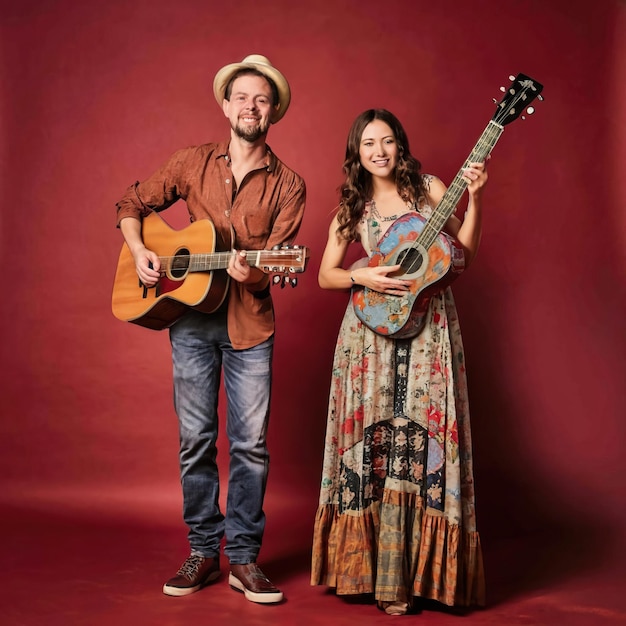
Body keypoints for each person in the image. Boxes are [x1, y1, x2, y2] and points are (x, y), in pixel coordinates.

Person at [115, 54, 305, 604]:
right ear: (226, 105)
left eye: (262, 99)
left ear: (273, 112)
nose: (251, 106)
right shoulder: (191, 162)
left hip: (250, 329)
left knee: (251, 446)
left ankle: (244, 560)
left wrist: (255, 271)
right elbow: (132, 201)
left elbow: (277, 262)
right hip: (190, 324)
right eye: (242, 97)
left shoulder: (289, 185)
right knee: (195, 440)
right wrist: (142, 249)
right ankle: (203, 550)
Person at [310, 109, 486, 615]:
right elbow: (326, 274)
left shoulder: (428, 188)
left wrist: (477, 197)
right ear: (357, 153)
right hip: (369, 338)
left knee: (421, 442)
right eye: (369, 143)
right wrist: (361, 277)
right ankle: (371, 571)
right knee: (377, 441)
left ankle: (421, 576)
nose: (380, 151)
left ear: (400, 146)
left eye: (387, 141)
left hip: (429, 328)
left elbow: (464, 253)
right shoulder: (353, 207)